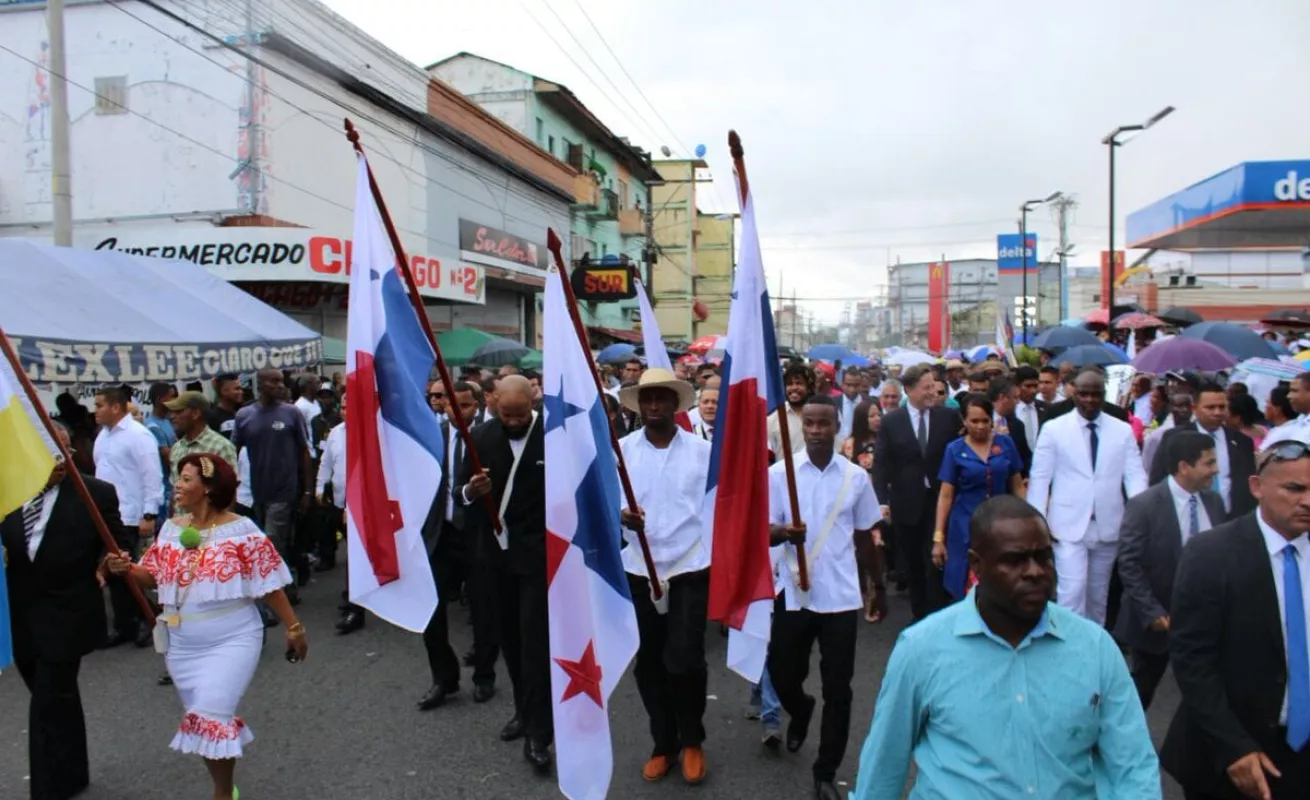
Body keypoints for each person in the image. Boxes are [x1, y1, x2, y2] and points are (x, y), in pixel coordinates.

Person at [849, 495, 1161, 800]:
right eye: (1014, 560)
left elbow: (1133, 766)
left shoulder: (1095, 647)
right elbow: (884, 763)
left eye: (1043, 557)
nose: (1034, 572)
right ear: (976, 565)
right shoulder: (921, 650)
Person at [104, 453, 306, 800]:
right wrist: (125, 568)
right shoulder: (171, 529)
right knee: (202, 721)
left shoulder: (242, 530)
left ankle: (223, 794)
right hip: (182, 643)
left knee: (213, 712)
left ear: (208, 488)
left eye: (185, 479)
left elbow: (270, 583)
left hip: (234, 637)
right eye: (178, 478)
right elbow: (151, 577)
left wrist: (294, 626)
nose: (177, 486)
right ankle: (225, 787)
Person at [1163, 439, 1310, 799]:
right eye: (1295, 489)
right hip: (1229, 758)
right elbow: (1192, 660)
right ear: (1257, 488)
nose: (1307, 500)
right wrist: (1233, 747)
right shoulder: (1211, 554)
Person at [768, 395, 881, 800]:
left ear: (837, 428)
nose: (816, 430)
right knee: (783, 673)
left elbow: (866, 535)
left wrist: (877, 587)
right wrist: (783, 534)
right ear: (802, 426)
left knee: (840, 688)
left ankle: (826, 771)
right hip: (795, 594)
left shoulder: (855, 478)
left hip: (841, 597)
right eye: (810, 423)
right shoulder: (781, 474)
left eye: (824, 424)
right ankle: (800, 710)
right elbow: (761, 531)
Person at [2, 423, 121, 800]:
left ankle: (48, 790)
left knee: (47, 703)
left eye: (63, 452)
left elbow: (117, 543)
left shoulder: (95, 493)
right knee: (55, 695)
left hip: (69, 610)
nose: (56, 461)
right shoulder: (10, 491)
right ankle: (73, 771)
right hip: (22, 612)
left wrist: (106, 564)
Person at [618, 369, 712, 785]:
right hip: (638, 566)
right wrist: (623, 518)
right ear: (639, 406)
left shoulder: (702, 451)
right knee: (649, 664)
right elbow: (608, 504)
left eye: (661, 399)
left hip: (690, 566)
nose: (653, 406)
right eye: (647, 400)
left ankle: (692, 739)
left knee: (686, 659)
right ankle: (664, 743)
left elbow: (713, 507)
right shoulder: (620, 451)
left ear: (677, 404)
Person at [456, 375, 552, 772]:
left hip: (538, 558)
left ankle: (540, 733)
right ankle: (523, 711)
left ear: (534, 402)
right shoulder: (479, 436)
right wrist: (471, 492)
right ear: (493, 403)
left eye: (521, 414)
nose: (513, 421)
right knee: (510, 640)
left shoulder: (552, 435)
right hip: (494, 558)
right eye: (506, 413)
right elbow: (459, 492)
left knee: (535, 644)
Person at [1115, 431, 1226, 710]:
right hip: (1157, 623)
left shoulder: (1214, 502)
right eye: (1209, 463)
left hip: (1204, 621)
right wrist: (1152, 612)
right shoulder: (1144, 506)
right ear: (1184, 466)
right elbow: (1129, 563)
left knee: (1205, 693)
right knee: (1141, 692)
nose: (1216, 469)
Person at [1028, 370, 1148, 623]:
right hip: (1067, 525)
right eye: (1084, 394)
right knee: (1071, 593)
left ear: (1104, 396)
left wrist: (1140, 518)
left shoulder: (1122, 431)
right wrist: (1037, 523)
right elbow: (1040, 479)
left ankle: (1094, 652)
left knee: (1098, 596)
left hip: (1109, 525)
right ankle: (1068, 652)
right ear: (1074, 394)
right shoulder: (1054, 429)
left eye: (1096, 394)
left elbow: (1135, 476)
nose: (1090, 400)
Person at [873, 365, 963, 619]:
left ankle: (936, 616)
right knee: (913, 563)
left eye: (933, 385)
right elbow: (881, 464)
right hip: (906, 503)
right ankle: (919, 614)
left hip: (940, 501)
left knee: (935, 561)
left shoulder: (947, 417)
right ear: (909, 390)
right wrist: (881, 501)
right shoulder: (891, 421)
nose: (932, 391)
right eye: (926, 387)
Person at [418, 381, 482, 708]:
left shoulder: (488, 435)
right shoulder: (433, 437)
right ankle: (444, 678)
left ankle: (485, 674)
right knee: (433, 610)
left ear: (478, 405)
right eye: (452, 404)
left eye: (467, 405)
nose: (459, 412)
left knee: (486, 611)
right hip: (440, 534)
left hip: (478, 536)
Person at [93, 385, 165, 648]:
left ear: (115, 407)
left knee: (127, 570)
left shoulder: (138, 435)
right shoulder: (103, 436)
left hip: (130, 514)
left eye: (100, 405)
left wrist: (149, 513)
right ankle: (125, 626)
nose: (95, 411)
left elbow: (152, 476)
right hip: (105, 514)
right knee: (113, 573)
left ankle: (150, 618)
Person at [231, 368, 312, 601]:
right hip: (257, 491)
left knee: (272, 539)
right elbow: (233, 451)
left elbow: (304, 452)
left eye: (281, 381)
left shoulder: (291, 413)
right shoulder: (244, 415)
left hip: (285, 490)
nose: (280, 386)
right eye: (274, 382)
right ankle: (287, 585)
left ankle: (274, 597)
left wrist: (307, 489)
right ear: (260, 384)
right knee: (269, 543)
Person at [932, 397, 1025, 600]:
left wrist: (1027, 520)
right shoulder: (954, 449)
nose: (980, 426)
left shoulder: (1005, 443)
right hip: (965, 523)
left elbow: (1017, 485)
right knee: (965, 580)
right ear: (964, 421)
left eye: (985, 420)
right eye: (974, 421)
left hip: (1001, 522)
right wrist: (938, 538)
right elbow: (946, 495)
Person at [1150, 382, 1257, 517]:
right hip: (1187, 517)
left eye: (1222, 407)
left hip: (1232, 520)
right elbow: (1158, 478)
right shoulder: (1175, 437)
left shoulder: (1241, 442)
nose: (1217, 412)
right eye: (1210, 407)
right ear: (1195, 408)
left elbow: (1248, 484)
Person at [844, 399, 887, 623]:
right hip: (855, 504)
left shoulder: (886, 441)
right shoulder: (850, 443)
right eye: (871, 415)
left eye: (878, 414)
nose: (877, 419)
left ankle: (874, 596)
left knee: (876, 550)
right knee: (858, 552)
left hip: (881, 502)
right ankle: (858, 593)